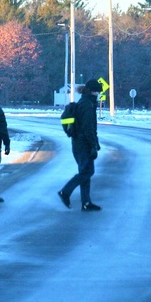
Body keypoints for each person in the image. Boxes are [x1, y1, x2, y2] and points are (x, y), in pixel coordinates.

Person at [58, 78, 103, 211]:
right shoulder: (87, 105)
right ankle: (65, 192)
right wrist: (93, 145)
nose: (98, 94)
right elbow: (88, 128)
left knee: (85, 172)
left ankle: (86, 202)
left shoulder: (85, 102)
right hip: (83, 144)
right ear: (91, 91)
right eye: (96, 92)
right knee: (88, 171)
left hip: (78, 143)